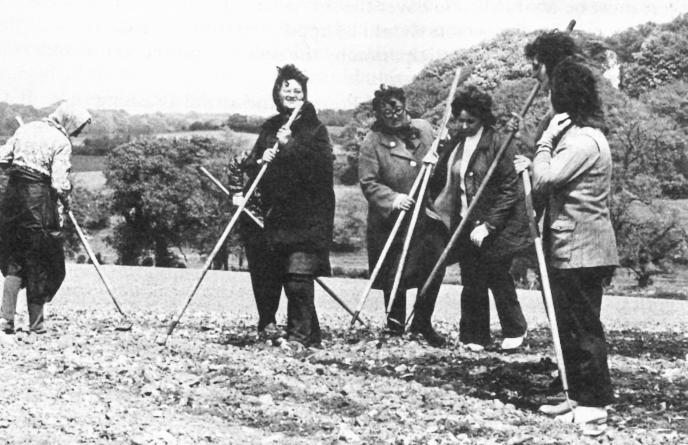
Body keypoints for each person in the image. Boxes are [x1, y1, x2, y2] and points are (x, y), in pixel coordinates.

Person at [515, 59, 618, 427]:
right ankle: (576, 395)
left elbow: (546, 180)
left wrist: (541, 147)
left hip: (583, 249)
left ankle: (594, 404)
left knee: (582, 327)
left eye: (552, 91)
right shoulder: (578, 136)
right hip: (571, 246)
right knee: (567, 327)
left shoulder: (582, 140)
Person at [427, 85, 530, 352]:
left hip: (495, 223)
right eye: (459, 120)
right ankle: (475, 335)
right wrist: (432, 161)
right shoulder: (456, 142)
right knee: (471, 278)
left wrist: (489, 224)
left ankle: (515, 329)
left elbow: (510, 189)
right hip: (464, 221)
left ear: (482, 118)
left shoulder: (498, 142)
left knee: (497, 275)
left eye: (470, 121)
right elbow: (443, 179)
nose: (464, 125)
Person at [243, 64, 334, 348]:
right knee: (290, 277)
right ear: (277, 93)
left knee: (298, 276)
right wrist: (262, 160)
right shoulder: (270, 127)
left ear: (305, 96)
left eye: (298, 90)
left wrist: (290, 145)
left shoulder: (315, 129)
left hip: (309, 214)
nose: (292, 94)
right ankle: (311, 336)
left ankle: (299, 338)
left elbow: (320, 168)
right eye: (287, 89)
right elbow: (251, 165)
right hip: (278, 215)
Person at [359, 85, 447, 347]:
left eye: (396, 107)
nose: (393, 114)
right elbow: (368, 182)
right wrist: (394, 199)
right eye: (385, 111)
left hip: (427, 214)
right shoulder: (372, 142)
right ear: (378, 114)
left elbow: (443, 161)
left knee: (432, 267)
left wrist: (441, 151)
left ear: (404, 105)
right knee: (394, 270)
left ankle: (423, 323)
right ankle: (395, 324)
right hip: (393, 219)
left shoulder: (424, 128)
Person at [0, 101, 92, 334]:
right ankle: (36, 325)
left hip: (12, 200)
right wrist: (66, 199)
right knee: (38, 262)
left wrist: (22, 163)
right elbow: (59, 183)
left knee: (14, 260)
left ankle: (5, 320)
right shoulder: (61, 142)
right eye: (78, 127)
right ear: (70, 121)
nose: (78, 132)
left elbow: (3, 158)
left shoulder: (26, 129)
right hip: (37, 203)